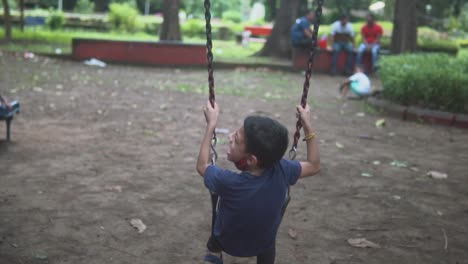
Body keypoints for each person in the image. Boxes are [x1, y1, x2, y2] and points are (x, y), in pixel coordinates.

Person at [197, 102, 320, 264]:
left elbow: (201, 166)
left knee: (215, 241)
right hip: (263, 244)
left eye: (236, 139)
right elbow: (314, 165)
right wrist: (307, 125)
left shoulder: (229, 182)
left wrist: (211, 125)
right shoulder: (283, 169)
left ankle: (213, 254)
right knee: (268, 245)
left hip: (227, 243)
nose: (229, 137)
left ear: (251, 160)